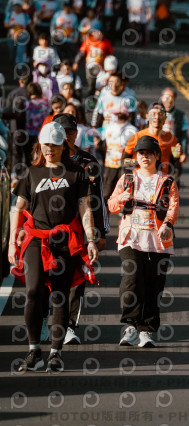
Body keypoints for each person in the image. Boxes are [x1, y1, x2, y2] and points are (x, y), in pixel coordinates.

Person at [9, 121, 99, 373]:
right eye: (45, 145)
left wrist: (91, 238)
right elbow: (18, 209)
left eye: (55, 145)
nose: (50, 149)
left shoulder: (76, 173)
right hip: (36, 239)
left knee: (60, 294)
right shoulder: (31, 173)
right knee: (33, 291)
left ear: (63, 146)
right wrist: (12, 243)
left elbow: (85, 207)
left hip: (65, 240)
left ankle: (55, 353)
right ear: (40, 146)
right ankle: (34, 351)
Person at [108, 135, 179, 348]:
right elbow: (112, 204)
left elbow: (173, 206)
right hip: (131, 237)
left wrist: (168, 224)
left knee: (153, 284)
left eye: (149, 153)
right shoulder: (127, 178)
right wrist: (121, 198)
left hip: (158, 239)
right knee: (132, 277)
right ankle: (130, 325)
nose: (144, 157)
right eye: (141, 153)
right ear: (136, 156)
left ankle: (146, 330)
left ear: (157, 155)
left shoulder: (167, 181)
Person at [52, 112, 109, 345]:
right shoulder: (46, 160)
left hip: (80, 229)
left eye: (71, 131)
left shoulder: (89, 162)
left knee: (77, 278)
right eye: (62, 131)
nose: (67, 135)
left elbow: (98, 199)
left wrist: (100, 231)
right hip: (50, 229)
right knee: (49, 276)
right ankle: (48, 319)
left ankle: (69, 326)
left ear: (77, 133)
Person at [123, 102, 181, 175]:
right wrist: (141, 162)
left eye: (161, 114)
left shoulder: (172, 139)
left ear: (165, 118)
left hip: (161, 179)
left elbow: (175, 162)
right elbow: (124, 161)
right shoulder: (136, 137)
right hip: (140, 179)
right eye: (153, 114)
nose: (157, 117)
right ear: (147, 116)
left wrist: (178, 155)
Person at [99, 105, 138, 199]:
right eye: (116, 113)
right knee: (107, 192)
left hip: (126, 166)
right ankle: (106, 207)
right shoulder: (108, 127)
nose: (118, 115)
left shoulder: (133, 130)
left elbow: (136, 150)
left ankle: (124, 208)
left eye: (121, 113)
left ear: (127, 114)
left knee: (126, 191)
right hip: (110, 164)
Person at [74, 26, 114, 96]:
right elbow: (81, 53)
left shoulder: (106, 42)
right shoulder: (87, 41)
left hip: (101, 67)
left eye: (100, 32)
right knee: (91, 84)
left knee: (101, 84)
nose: (98, 34)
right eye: (96, 32)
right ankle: (91, 97)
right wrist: (76, 62)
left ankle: (100, 97)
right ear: (93, 33)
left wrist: (110, 66)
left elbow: (110, 55)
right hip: (90, 67)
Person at [160, 87, 188, 185]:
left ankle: (174, 192)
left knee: (175, 173)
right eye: (166, 97)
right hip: (160, 147)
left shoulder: (180, 115)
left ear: (175, 99)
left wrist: (183, 152)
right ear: (161, 98)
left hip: (174, 147)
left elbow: (184, 135)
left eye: (171, 97)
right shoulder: (155, 113)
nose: (168, 100)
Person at [5, 1, 34, 66]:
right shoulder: (9, 14)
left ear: (21, 7)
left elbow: (30, 25)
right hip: (12, 37)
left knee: (20, 52)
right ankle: (12, 64)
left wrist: (34, 33)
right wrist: (14, 25)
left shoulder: (25, 15)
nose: (17, 8)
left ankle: (19, 67)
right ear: (13, 7)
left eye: (18, 6)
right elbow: (5, 25)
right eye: (15, 6)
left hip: (22, 37)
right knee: (12, 52)